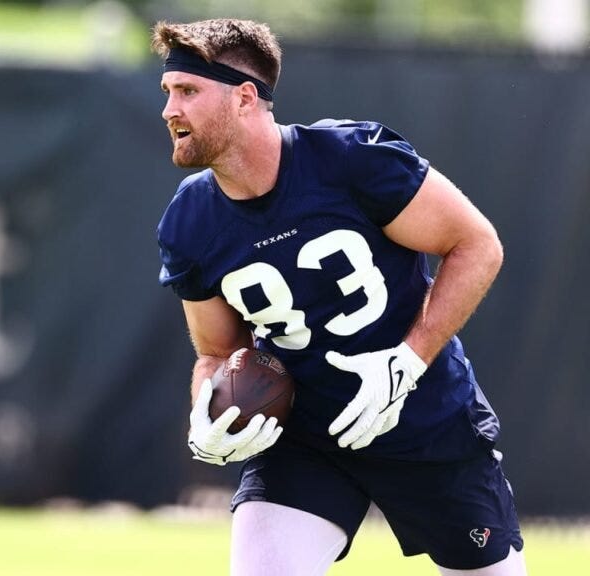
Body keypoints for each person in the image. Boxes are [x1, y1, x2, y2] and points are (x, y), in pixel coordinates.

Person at [152, 19, 527, 575]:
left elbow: (477, 244)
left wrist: (408, 360)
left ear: (245, 99)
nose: (169, 110)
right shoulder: (189, 221)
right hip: (303, 437)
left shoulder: (352, 159)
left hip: (422, 418)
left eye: (187, 91)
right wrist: (206, 411)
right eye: (167, 92)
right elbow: (216, 351)